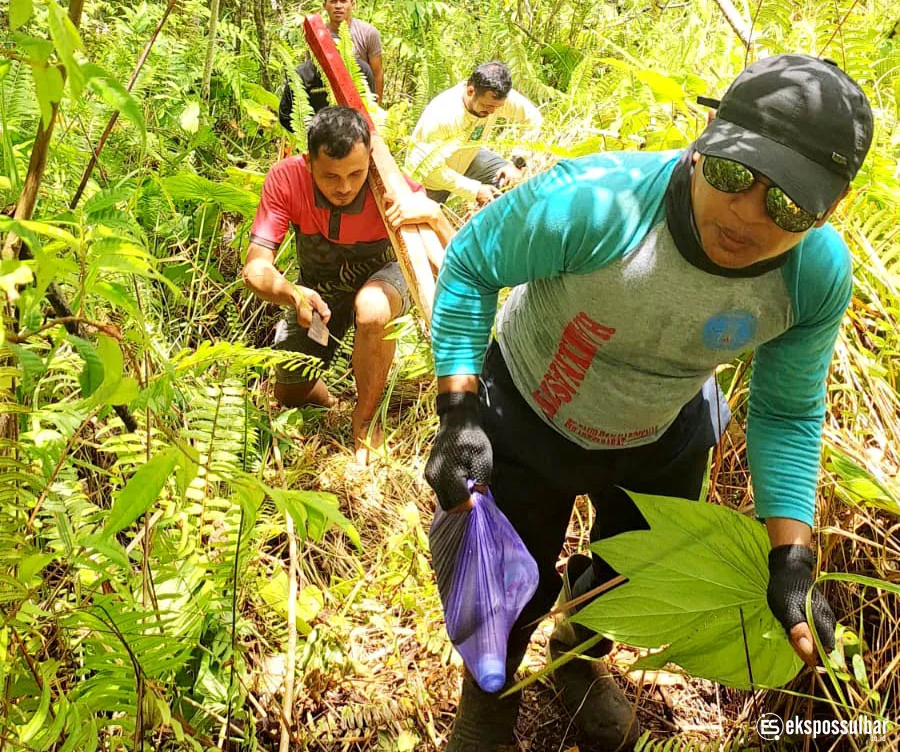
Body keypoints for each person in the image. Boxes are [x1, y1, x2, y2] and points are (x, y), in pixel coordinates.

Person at [422, 54, 873, 751]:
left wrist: (793, 559)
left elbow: (786, 410)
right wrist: (458, 408)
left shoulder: (811, 275)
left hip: (661, 426)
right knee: (504, 583)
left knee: (629, 574)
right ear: (705, 142)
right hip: (530, 403)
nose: (746, 214)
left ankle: (577, 659)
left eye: (786, 204)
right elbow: (473, 261)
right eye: (732, 173)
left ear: (829, 209)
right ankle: (487, 701)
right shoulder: (599, 199)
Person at [243, 107, 454, 464]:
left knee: (372, 310)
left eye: (355, 174)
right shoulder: (286, 180)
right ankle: (330, 401)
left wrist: (434, 215)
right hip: (319, 291)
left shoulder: (389, 184)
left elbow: (458, 258)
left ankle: (366, 418)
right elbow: (255, 267)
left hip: (384, 278)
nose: (344, 187)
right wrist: (291, 293)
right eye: (330, 176)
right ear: (309, 162)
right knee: (290, 391)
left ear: (370, 159)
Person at [406, 61, 543, 205]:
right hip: (432, 178)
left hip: (470, 157)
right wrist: (474, 189)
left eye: (498, 107)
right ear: (471, 91)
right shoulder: (442, 114)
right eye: (488, 106)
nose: (492, 111)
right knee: (423, 219)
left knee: (509, 183)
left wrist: (517, 163)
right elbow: (427, 167)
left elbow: (533, 118)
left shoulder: (495, 96)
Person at [322, 0, 384, 103]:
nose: (338, 6)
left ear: (353, 4)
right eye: (333, 1)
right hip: (327, 100)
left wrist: (376, 109)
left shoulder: (368, 33)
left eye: (343, 1)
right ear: (324, 5)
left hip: (361, 99)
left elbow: (377, 73)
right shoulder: (318, 34)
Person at [278, 56, 377, 131]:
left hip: (353, 144)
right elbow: (285, 115)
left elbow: (370, 109)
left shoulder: (360, 69)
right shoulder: (302, 74)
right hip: (315, 146)